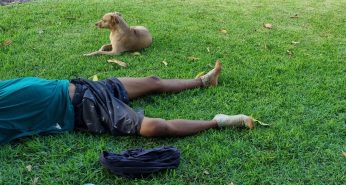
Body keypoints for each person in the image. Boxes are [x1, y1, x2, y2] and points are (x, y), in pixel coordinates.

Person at [0, 60, 255, 144]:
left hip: (85, 86)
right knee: (155, 127)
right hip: (84, 111)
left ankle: (203, 81)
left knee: (153, 80)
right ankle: (217, 122)